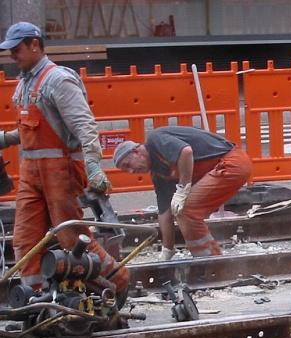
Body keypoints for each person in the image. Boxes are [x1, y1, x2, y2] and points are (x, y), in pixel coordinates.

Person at [0, 22, 129, 301]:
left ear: (34, 44)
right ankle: (37, 299)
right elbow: (32, 130)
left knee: (72, 239)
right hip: (32, 175)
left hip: (61, 172)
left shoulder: (58, 80)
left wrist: (94, 165)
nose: (12, 56)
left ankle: (117, 283)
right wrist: (7, 139)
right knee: (25, 240)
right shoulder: (25, 83)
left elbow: (84, 127)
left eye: (16, 49)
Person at [113, 126, 252, 259]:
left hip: (232, 162)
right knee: (181, 210)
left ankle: (211, 261)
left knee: (186, 210)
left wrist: (182, 189)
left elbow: (185, 152)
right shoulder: (159, 173)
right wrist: (167, 249)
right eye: (126, 170)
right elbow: (164, 213)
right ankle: (207, 258)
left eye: (128, 165)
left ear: (136, 152)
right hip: (223, 168)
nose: (131, 171)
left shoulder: (155, 140)